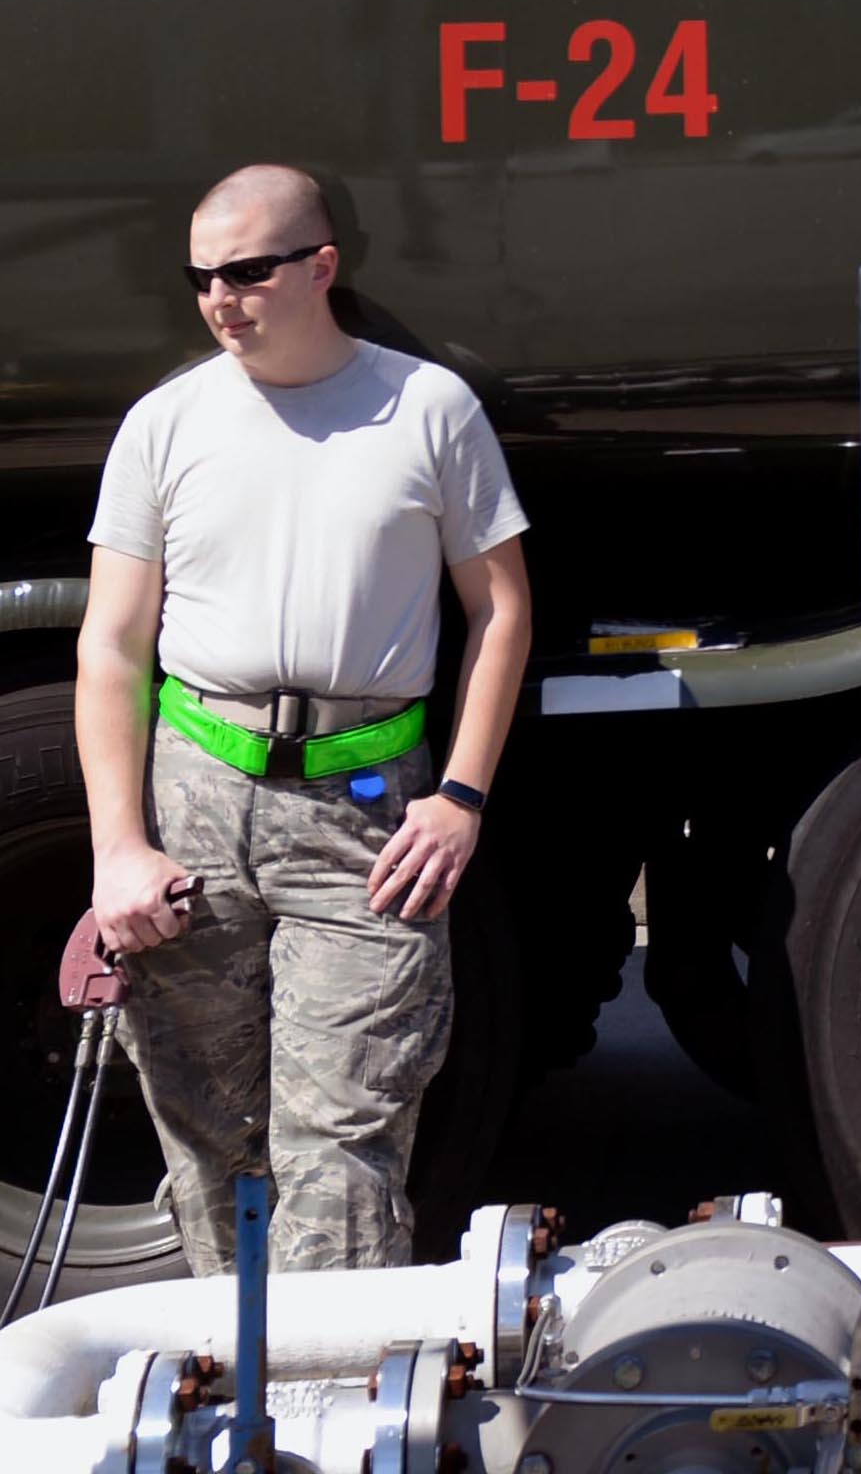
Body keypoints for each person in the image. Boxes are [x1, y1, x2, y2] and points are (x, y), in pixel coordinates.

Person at [76, 165, 531, 1272]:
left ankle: (333, 1379)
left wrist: (462, 796)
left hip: (364, 820)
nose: (219, 300)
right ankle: (236, 1371)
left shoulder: (427, 408)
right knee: (208, 1146)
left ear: (322, 265)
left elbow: (502, 608)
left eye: (245, 272)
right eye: (201, 278)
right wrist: (119, 848)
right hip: (195, 800)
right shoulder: (166, 422)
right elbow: (112, 645)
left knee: (342, 1151)